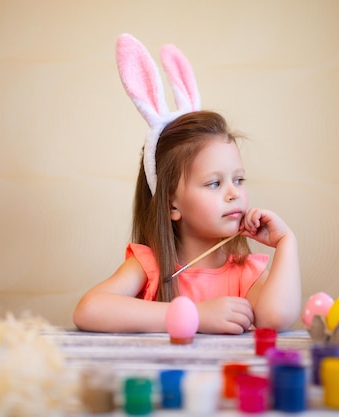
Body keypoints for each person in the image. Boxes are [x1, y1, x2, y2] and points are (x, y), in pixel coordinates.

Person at [72, 34, 301, 334]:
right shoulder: (150, 266)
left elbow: (276, 318)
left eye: (238, 180)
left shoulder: (243, 270)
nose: (234, 193)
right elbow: (89, 310)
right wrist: (193, 314)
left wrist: (286, 243)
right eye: (214, 183)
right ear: (171, 204)